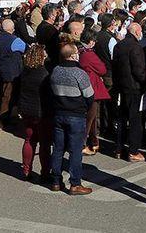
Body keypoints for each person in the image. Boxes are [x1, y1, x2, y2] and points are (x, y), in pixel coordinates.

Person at [49, 43, 95, 195]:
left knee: (58, 148)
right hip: (76, 115)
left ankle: (55, 180)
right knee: (75, 151)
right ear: (73, 55)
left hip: (58, 113)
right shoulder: (79, 73)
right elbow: (89, 95)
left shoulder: (56, 70)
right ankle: (75, 183)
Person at [112, 19, 146, 161]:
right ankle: (133, 150)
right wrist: (144, 83)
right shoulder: (135, 47)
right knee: (134, 120)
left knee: (121, 118)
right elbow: (139, 70)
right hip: (134, 88)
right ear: (136, 32)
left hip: (121, 86)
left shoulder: (118, 46)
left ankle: (119, 148)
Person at [18, 44, 53, 182]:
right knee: (44, 144)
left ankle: (26, 170)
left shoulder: (25, 72)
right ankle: (45, 172)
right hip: (41, 112)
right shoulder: (44, 75)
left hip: (26, 110)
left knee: (29, 140)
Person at [0, 18, 26, 129]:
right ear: (12, 29)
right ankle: (2, 122)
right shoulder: (14, 40)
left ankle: (5, 119)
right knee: (8, 97)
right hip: (12, 73)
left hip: (2, 70)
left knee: (3, 96)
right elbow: (26, 48)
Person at [78, 28, 110, 156]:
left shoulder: (80, 51)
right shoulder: (89, 54)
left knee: (91, 117)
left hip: (85, 86)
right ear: (90, 41)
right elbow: (102, 69)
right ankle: (83, 144)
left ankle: (94, 142)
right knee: (90, 117)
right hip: (91, 87)